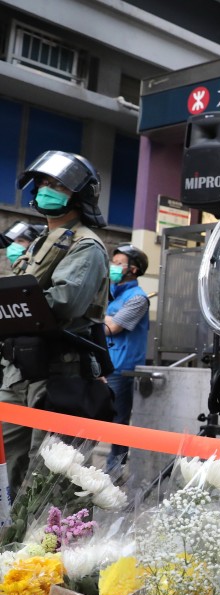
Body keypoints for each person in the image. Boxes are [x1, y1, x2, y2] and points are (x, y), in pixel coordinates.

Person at [0, 151, 112, 491]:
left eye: (57, 185)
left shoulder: (86, 245)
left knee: (44, 476)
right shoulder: (38, 242)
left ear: (78, 195)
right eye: (43, 183)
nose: (46, 190)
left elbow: (63, 302)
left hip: (59, 371)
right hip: (19, 368)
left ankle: (41, 543)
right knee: (8, 462)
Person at [103, 243, 150, 477]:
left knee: (118, 421)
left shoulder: (138, 298)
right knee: (99, 417)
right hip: (103, 363)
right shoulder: (111, 293)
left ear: (134, 269)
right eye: (114, 262)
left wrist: (92, 315)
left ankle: (114, 472)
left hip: (121, 368)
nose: (114, 267)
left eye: (120, 263)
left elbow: (112, 327)